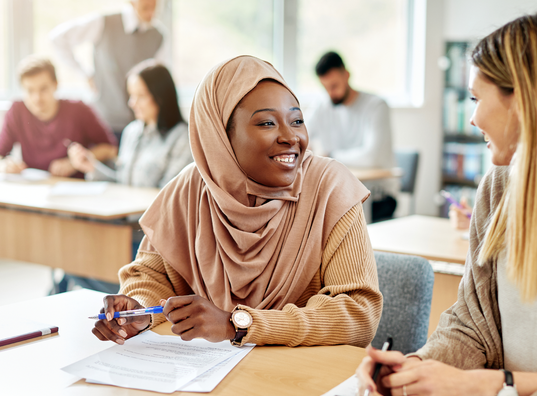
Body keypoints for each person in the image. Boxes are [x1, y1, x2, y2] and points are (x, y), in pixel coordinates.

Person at [356, 11, 537, 396]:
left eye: (476, 98)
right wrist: (413, 369)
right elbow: (473, 327)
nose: (472, 118)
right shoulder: (500, 186)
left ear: (522, 100)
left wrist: (488, 386)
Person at [91, 56, 383, 349]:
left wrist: (239, 324)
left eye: (297, 120)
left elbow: (358, 314)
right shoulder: (190, 190)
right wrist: (139, 310)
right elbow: (152, 275)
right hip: (212, 379)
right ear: (220, 136)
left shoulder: (329, 187)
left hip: (303, 379)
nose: (290, 137)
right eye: (267, 123)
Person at [60, 60, 192, 295]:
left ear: (160, 97)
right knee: (70, 259)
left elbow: (169, 199)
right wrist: (91, 166)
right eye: (131, 96)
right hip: (119, 225)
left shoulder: (183, 137)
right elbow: (122, 183)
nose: (133, 103)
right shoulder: (132, 132)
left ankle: (134, 297)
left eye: (140, 96)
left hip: (147, 237)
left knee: (84, 264)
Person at [50, 0, 166, 140]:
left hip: (139, 123)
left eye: (154, 8)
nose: (151, 14)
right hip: (106, 119)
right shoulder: (104, 23)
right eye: (145, 8)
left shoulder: (158, 35)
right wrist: (85, 75)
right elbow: (58, 39)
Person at [305, 51, 398, 222]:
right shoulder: (323, 106)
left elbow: (372, 157)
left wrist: (330, 156)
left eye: (334, 86)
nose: (330, 93)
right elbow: (300, 136)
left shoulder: (376, 106)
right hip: (341, 193)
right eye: (325, 88)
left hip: (378, 195)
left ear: (346, 75)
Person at [0, 56, 117, 177]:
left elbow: (111, 149)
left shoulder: (79, 110)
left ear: (55, 85)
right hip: (36, 189)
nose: (37, 98)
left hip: (76, 186)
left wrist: (73, 163)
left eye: (43, 89)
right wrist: (5, 165)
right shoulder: (16, 111)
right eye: (30, 91)